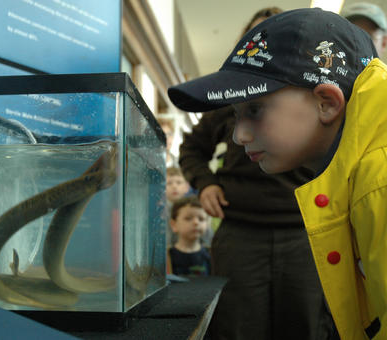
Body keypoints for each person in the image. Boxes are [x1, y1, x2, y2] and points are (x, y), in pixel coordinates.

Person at [168, 7, 385, 340]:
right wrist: (206, 182)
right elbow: (192, 149)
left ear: (326, 102)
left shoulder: (376, 186)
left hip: (305, 231)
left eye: (254, 108)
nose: (239, 136)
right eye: (239, 113)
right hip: (241, 230)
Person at [167, 195, 211, 276]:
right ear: (174, 225)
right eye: (188, 218)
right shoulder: (167, 257)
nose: (196, 222)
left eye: (201, 219)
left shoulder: (211, 254)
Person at [165, 166, 192, 247]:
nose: (174, 186)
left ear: (187, 187)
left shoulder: (192, 208)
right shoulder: (161, 210)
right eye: (169, 183)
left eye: (179, 182)